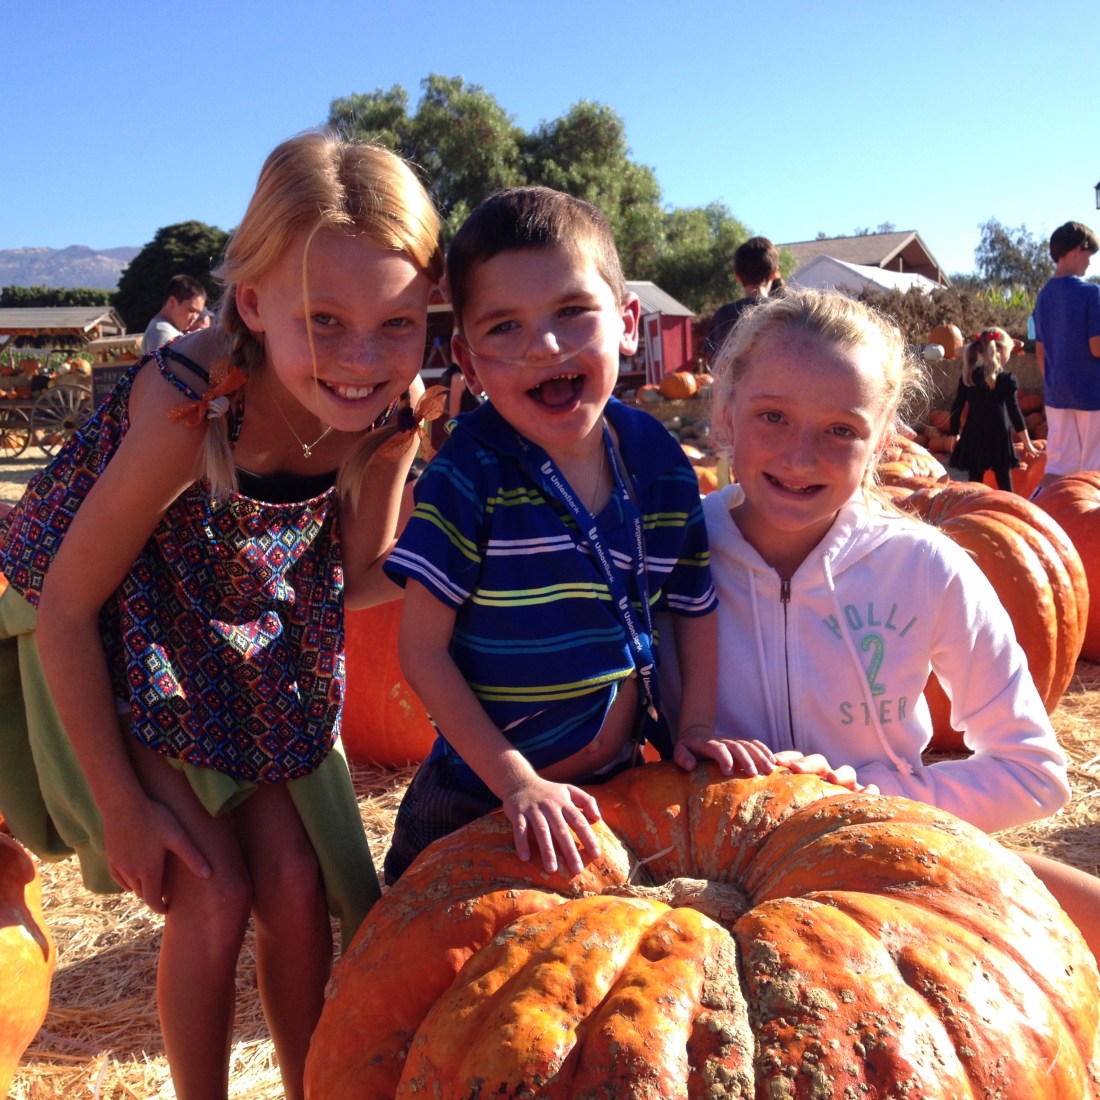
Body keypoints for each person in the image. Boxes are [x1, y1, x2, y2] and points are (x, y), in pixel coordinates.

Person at [0, 130, 444, 1100]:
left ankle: (307, 1086)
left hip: (234, 631)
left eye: (399, 323)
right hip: (114, 628)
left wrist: (437, 523)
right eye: (324, 321)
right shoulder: (191, 407)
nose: (362, 357)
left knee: (296, 886)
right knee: (212, 889)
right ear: (251, 304)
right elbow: (71, 605)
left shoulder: (386, 409)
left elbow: (354, 578)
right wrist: (123, 806)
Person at [669, 286, 1100, 952]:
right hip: (697, 888)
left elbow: (1033, 773)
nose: (801, 455)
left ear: (883, 440)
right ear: (725, 413)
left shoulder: (923, 567)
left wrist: (866, 796)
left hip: (882, 867)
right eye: (772, 416)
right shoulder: (666, 555)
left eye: (841, 430)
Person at [382, 186, 751, 885]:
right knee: (428, 940)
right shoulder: (467, 475)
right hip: (478, 795)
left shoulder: (658, 464)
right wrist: (516, 782)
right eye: (504, 327)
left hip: (613, 790)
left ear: (627, 322)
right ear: (468, 360)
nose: (544, 346)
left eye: (573, 311)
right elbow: (422, 652)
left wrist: (696, 727)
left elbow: (690, 607)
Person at [1033, 221, 1100, 491]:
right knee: (1094, 469)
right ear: (1076, 249)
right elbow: (1096, 347)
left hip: (1056, 395)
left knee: (1058, 468)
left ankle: (1035, 508)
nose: (1090, 262)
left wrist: (1054, 384)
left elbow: (1040, 352)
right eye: (1089, 254)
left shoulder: (1043, 297)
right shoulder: (1091, 293)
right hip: (1092, 395)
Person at [948, 327, 1039, 490]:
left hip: (974, 435)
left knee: (974, 485)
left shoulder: (969, 377)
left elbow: (957, 406)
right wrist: (1027, 443)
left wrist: (954, 433)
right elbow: (1014, 412)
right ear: (1002, 352)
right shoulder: (1006, 379)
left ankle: (972, 505)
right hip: (999, 438)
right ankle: (1008, 505)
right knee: (1005, 485)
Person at [703, 236, 784, 362]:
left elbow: (714, 363)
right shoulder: (784, 313)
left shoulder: (724, 315)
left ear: (737, 276)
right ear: (773, 274)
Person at [141, 273, 209, 354]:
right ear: (172, 302)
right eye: (191, 310)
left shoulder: (165, 330)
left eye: (198, 313)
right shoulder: (163, 333)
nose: (195, 317)